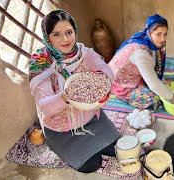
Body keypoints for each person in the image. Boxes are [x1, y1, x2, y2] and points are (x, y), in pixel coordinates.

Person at [28, 10, 120, 173]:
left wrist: (101, 80)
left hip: (90, 118)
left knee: (116, 149)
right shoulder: (41, 62)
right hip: (60, 129)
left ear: (74, 31)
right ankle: (68, 147)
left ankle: (95, 138)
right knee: (92, 164)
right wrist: (66, 96)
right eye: (56, 34)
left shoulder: (82, 52)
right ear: (47, 37)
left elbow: (105, 70)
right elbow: (46, 108)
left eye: (69, 32)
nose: (65, 39)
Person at [108, 14, 174, 111]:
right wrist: (173, 97)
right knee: (156, 99)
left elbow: (149, 65)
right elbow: (153, 84)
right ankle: (122, 94)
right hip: (120, 83)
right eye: (158, 34)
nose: (163, 39)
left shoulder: (144, 37)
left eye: (165, 34)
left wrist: (161, 80)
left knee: (161, 89)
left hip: (133, 75)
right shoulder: (140, 53)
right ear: (150, 32)